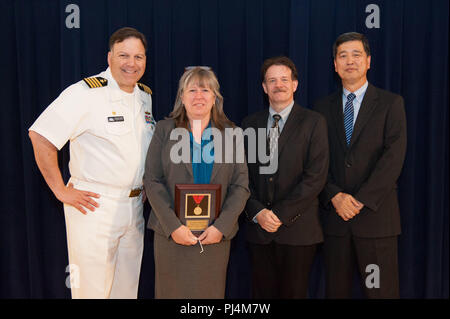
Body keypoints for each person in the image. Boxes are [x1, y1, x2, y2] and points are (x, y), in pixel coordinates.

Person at [28, 27, 155, 299]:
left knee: (126, 292)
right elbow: (40, 135)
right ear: (109, 58)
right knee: (91, 292)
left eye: (138, 57)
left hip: (133, 208)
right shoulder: (85, 93)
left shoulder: (145, 96)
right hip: (94, 205)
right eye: (123, 55)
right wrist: (60, 190)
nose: (131, 64)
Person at [313, 32, 407, 298]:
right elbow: (317, 161)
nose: (349, 61)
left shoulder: (391, 104)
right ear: (335, 65)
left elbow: (393, 158)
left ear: (368, 61)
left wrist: (359, 200)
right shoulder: (321, 108)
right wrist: (335, 196)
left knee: (381, 293)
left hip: (376, 219)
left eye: (356, 55)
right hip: (336, 220)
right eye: (343, 56)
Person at [144, 66, 250, 299]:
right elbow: (152, 181)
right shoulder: (164, 130)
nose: (199, 96)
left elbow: (240, 186)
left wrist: (221, 227)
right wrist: (174, 227)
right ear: (182, 96)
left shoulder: (232, 134)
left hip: (214, 236)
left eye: (205, 90)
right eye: (192, 90)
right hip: (171, 235)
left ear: (215, 97)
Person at [241, 56, 329, 298]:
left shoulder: (314, 122)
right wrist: (258, 212)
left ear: (295, 84)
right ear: (264, 87)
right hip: (259, 231)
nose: (278, 85)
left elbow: (316, 177)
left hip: (298, 231)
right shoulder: (249, 124)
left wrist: (280, 214)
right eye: (272, 80)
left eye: (284, 79)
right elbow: (240, 177)